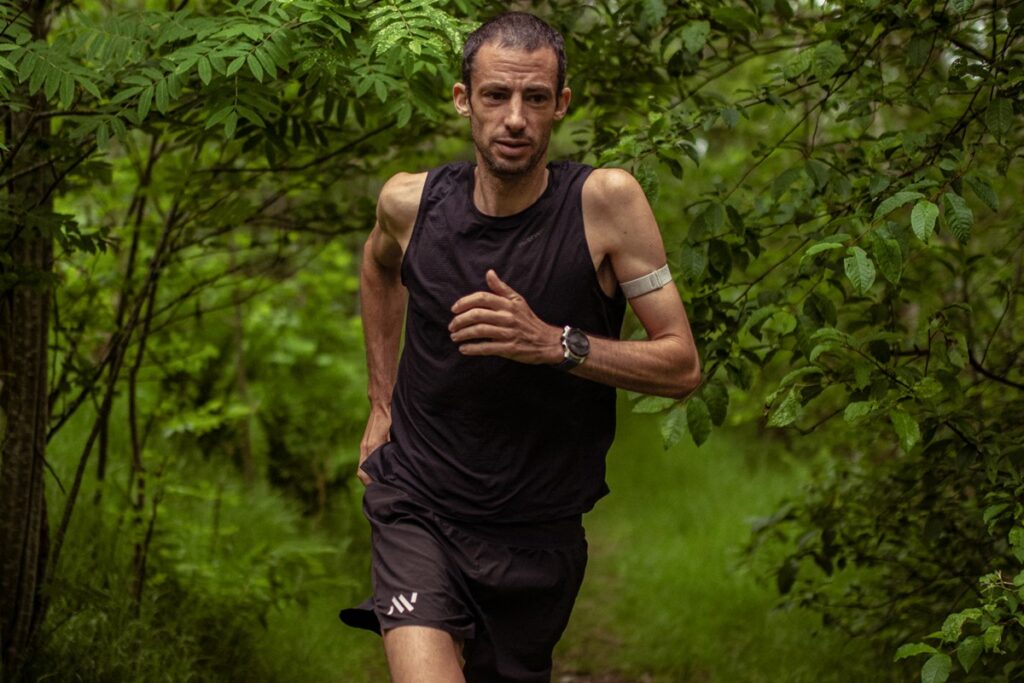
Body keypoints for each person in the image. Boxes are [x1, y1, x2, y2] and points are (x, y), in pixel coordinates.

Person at [339, 11, 701, 683]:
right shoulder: (409, 205)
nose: (515, 118)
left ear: (561, 104)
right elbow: (376, 266)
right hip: (417, 501)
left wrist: (554, 343)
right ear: (462, 99)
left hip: (537, 529)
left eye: (535, 98)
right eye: (496, 96)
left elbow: (681, 364)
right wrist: (381, 402)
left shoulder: (606, 205)